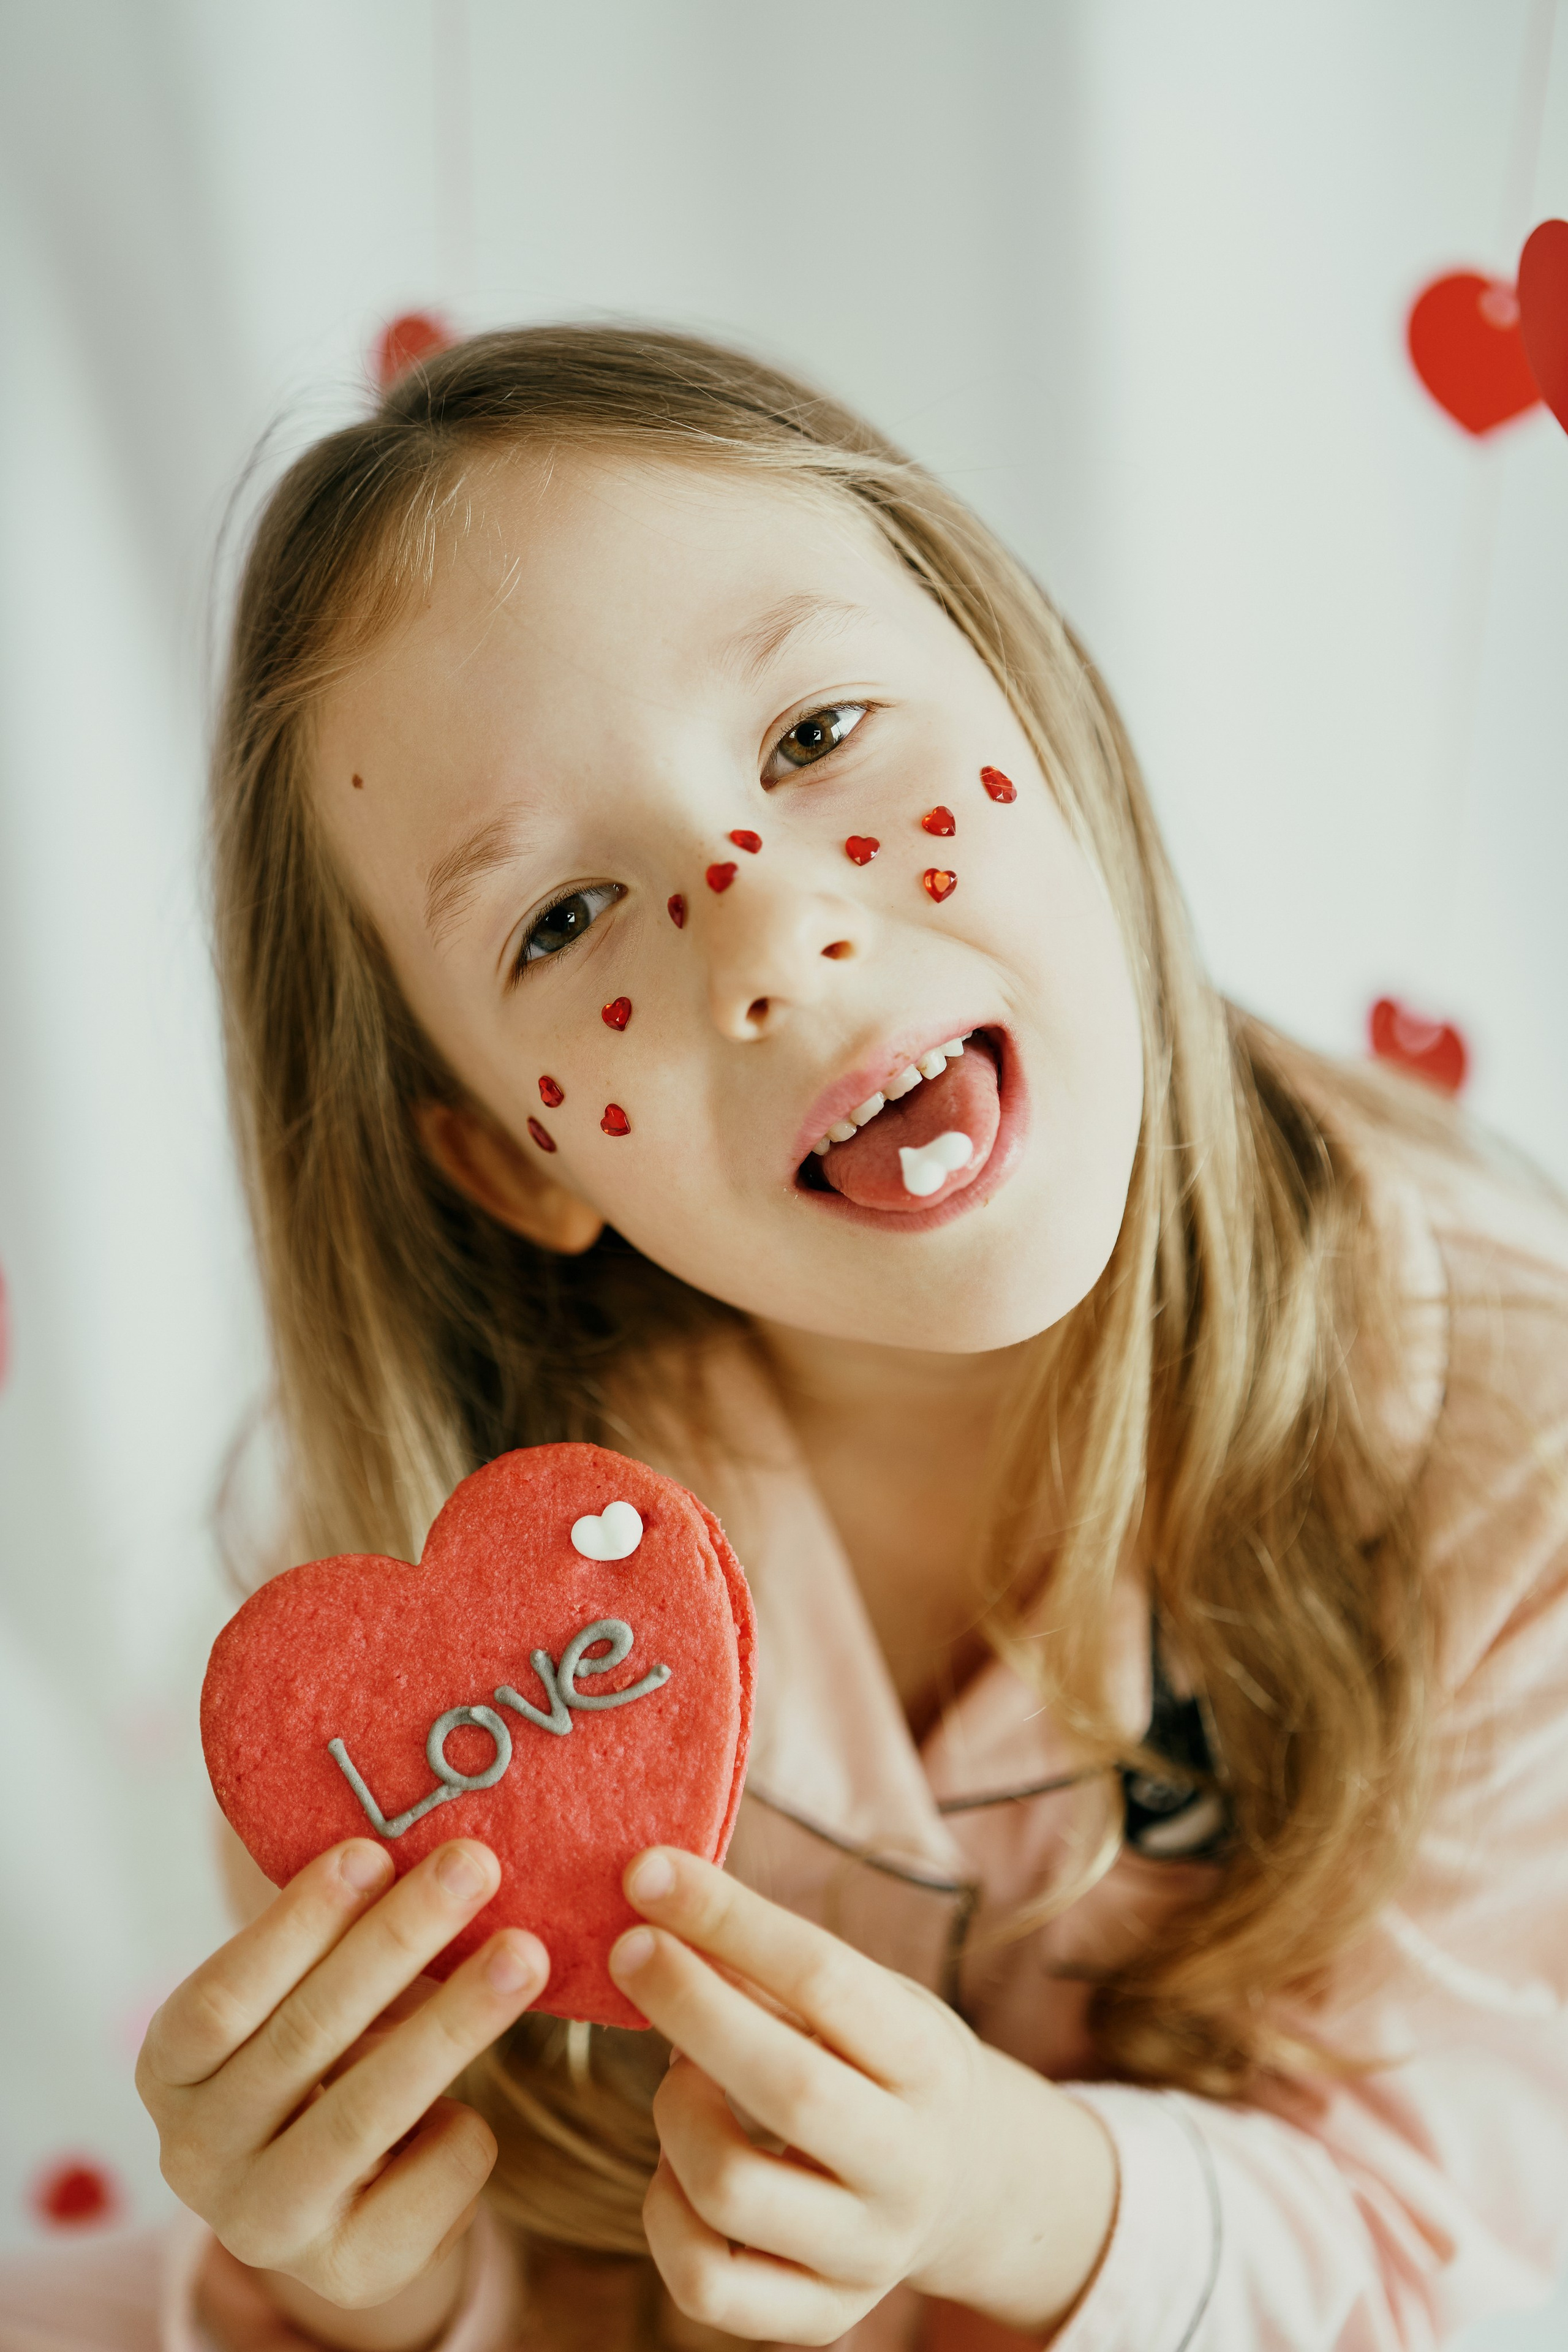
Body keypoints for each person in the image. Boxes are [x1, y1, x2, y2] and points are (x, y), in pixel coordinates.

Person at [5, 326, 1567, 2352]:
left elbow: (1491, 2261)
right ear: (510, 1161)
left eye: (820, 730)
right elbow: (543, 2271)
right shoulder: (426, 1630)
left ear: (1034, 695)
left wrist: (1023, 2200)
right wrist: (360, 2287)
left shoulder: (1504, 1440)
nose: (771, 934)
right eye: (563, 919)